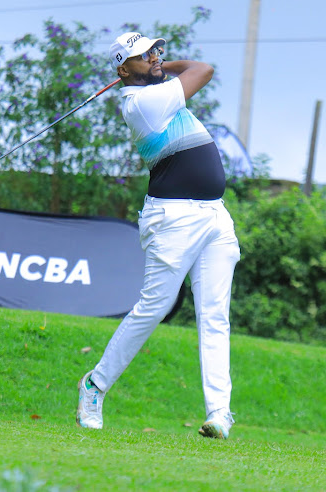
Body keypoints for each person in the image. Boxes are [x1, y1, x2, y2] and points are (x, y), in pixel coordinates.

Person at [76, 31, 241, 439]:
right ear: (122, 69)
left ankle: (220, 412)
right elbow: (203, 69)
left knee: (215, 314)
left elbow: (188, 72)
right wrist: (162, 68)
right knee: (154, 308)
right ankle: (94, 385)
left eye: (154, 50)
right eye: (142, 55)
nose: (154, 56)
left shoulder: (159, 90)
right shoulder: (142, 102)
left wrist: (154, 65)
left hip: (215, 216)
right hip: (173, 218)